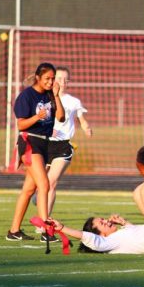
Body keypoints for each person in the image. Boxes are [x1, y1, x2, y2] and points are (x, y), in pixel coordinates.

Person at [51, 135, 144, 255]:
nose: (106, 221)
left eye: (102, 219)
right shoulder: (106, 242)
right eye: (101, 223)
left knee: (138, 192)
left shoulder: (118, 236)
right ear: (100, 234)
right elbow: (88, 238)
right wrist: (62, 228)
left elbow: (138, 236)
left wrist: (125, 223)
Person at [6, 62, 65, 242]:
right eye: (47, 78)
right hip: (30, 142)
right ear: (38, 77)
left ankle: (14, 231)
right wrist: (37, 117)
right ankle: (46, 231)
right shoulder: (27, 96)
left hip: (44, 144)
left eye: (53, 78)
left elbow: (61, 117)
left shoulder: (49, 95)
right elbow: (21, 124)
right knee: (44, 185)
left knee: (28, 189)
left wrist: (56, 96)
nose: (50, 81)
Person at [46, 66, 93, 219]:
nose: (63, 82)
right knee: (41, 184)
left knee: (52, 182)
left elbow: (82, 120)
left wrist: (87, 128)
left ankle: (45, 220)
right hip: (44, 145)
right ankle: (38, 196)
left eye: (66, 79)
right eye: (59, 79)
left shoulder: (74, 102)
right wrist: (47, 130)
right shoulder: (45, 98)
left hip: (63, 146)